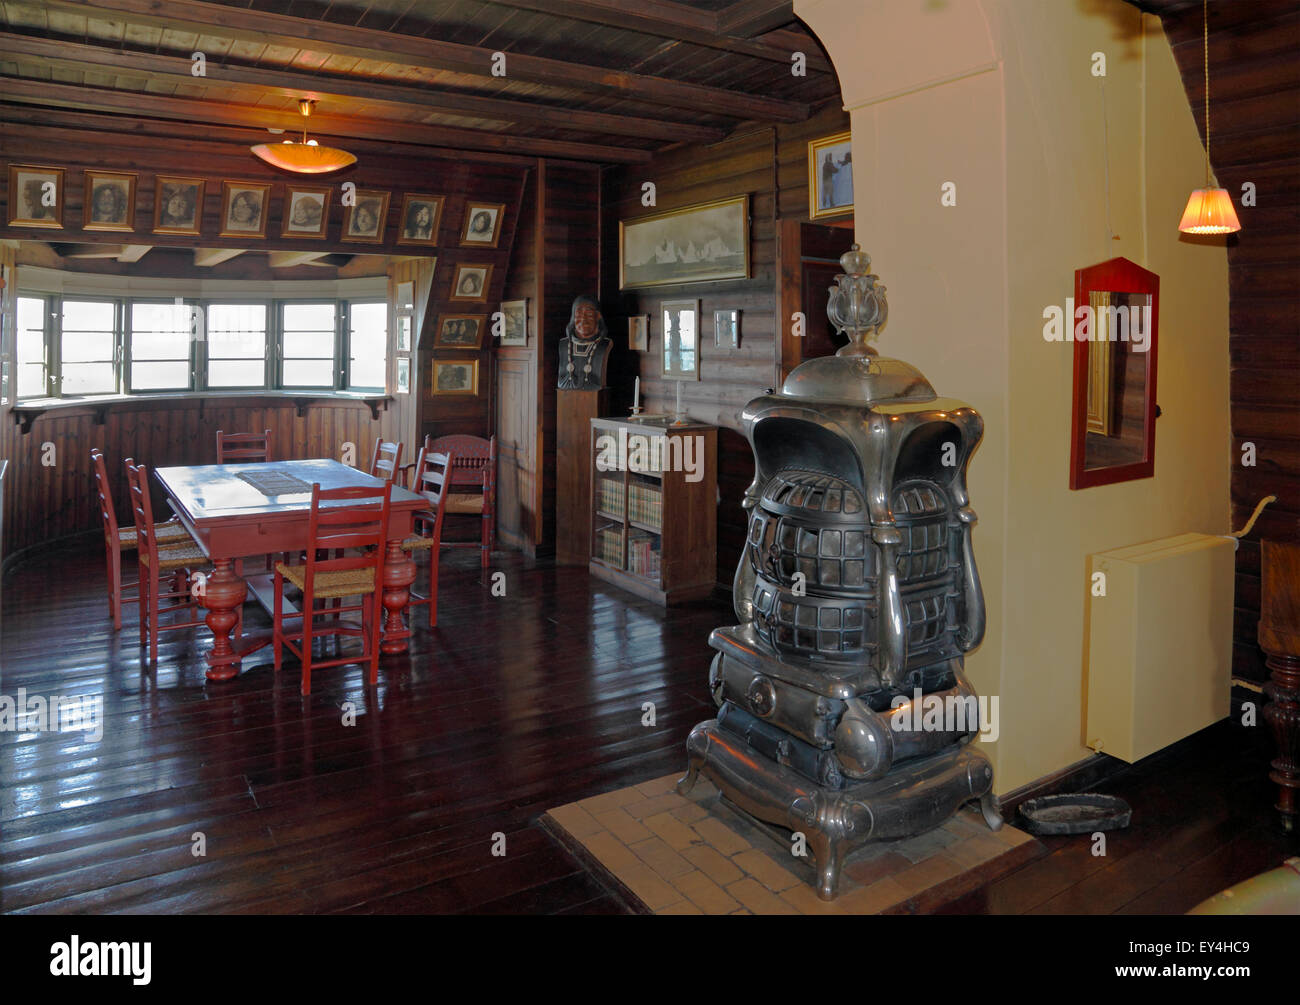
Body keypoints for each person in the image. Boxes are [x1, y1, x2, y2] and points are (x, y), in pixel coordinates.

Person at [557, 294, 611, 391]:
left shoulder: (604, 345)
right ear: (573, 317)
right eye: (578, 315)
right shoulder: (564, 345)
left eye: (589, 314)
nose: (583, 320)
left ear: (598, 316)